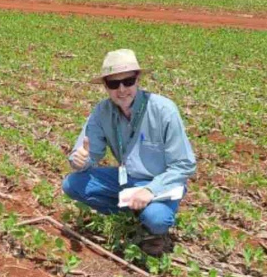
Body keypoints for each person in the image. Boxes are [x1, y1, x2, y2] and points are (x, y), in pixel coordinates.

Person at [62, 49, 196, 257]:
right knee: (72, 184)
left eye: (128, 81)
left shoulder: (163, 110)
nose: (122, 89)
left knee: (157, 219)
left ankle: (151, 226)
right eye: (114, 84)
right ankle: (132, 214)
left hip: (161, 184)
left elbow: (184, 165)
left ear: (138, 79)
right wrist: (80, 161)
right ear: (105, 85)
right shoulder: (102, 111)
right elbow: (89, 153)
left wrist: (150, 190)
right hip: (127, 179)